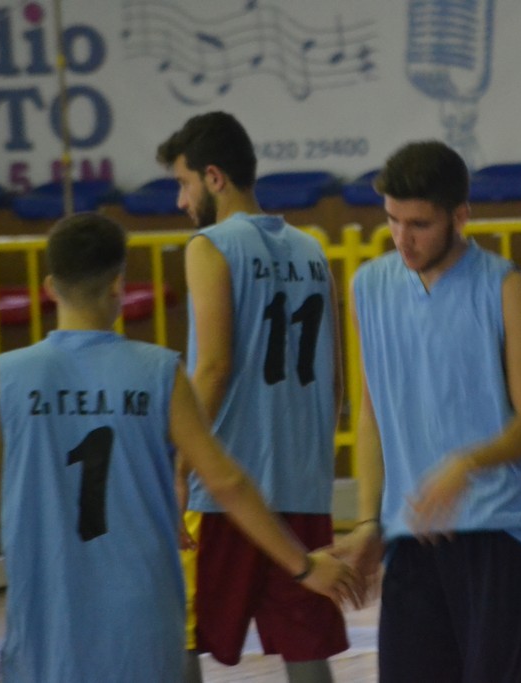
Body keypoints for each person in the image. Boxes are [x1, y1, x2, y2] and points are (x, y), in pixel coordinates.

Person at [0, 213, 360, 683]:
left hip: (46, 614)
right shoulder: (160, 372)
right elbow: (226, 482)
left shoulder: (1, 378)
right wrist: (302, 566)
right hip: (142, 614)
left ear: (49, 287)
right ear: (118, 286)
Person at [334, 140, 521, 683]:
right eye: (392, 220)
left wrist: (465, 463)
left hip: (502, 533)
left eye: (419, 224)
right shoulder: (368, 286)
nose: (402, 238)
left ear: (460, 216)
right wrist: (369, 520)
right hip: (412, 538)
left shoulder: (505, 287)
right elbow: (373, 414)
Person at [156, 111, 347, 683]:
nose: (180, 201)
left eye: (184, 183)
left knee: (178, 634)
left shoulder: (210, 246)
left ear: (214, 177)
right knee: (305, 649)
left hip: (226, 491)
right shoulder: (312, 250)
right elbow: (334, 380)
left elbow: (213, 368)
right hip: (302, 485)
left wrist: (180, 464)